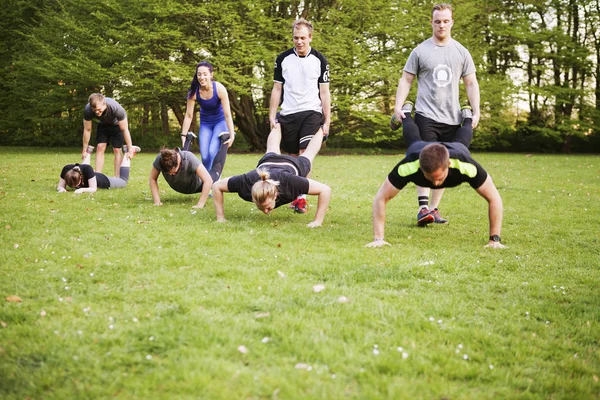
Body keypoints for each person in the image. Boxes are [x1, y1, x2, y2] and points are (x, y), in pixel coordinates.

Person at [391, 3, 480, 226]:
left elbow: (471, 83)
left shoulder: (461, 52)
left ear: (452, 22)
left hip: (452, 117)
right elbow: (406, 79)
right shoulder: (420, 51)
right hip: (425, 114)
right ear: (431, 22)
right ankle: (423, 208)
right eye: (437, 21)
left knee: (445, 163)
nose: (441, 25)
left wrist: (476, 111)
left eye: (445, 21)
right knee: (425, 158)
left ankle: (434, 208)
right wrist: (397, 106)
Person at [366, 108, 506, 249]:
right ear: (421, 168)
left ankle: (468, 117)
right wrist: (378, 239)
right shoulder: (409, 166)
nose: (435, 183)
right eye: (430, 178)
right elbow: (381, 198)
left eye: (439, 178)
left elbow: (494, 198)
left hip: (457, 149)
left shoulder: (465, 166)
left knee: (463, 140)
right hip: (419, 148)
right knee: (412, 139)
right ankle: (406, 113)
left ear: (449, 165)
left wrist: (494, 240)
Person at [268, 18, 331, 213]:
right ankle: (296, 195)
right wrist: (272, 115)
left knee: (305, 155)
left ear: (310, 37)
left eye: (303, 38)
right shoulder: (282, 59)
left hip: (311, 112)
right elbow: (277, 88)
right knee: (292, 157)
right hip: (288, 113)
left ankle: (301, 198)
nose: (299, 42)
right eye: (296, 38)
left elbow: (325, 92)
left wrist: (327, 119)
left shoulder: (320, 60)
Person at [211, 126, 331, 228]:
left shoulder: (290, 183)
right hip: (268, 162)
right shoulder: (246, 182)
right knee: (272, 148)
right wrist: (220, 218)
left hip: (292, 165)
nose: (265, 212)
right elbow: (216, 186)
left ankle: (322, 129)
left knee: (308, 154)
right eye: (261, 207)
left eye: (267, 207)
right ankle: (277, 124)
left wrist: (317, 222)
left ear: (275, 195)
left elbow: (325, 190)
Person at [179, 61, 236, 171]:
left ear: (211, 75)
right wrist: (183, 135)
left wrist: (232, 135)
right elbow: (189, 115)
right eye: (199, 74)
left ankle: (213, 180)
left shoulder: (219, 89)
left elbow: (227, 114)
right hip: (206, 124)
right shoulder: (194, 92)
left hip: (220, 122)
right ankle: (208, 181)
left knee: (212, 151)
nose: (202, 77)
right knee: (205, 156)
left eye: (205, 74)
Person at [149, 134, 229, 208]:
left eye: (173, 172)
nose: (171, 175)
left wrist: (200, 204)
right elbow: (152, 179)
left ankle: (225, 139)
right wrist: (157, 201)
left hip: (197, 185)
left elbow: (208, 181)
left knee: (216, 172)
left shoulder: (189, 158)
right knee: (185, 157)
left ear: (178, 163)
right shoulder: (160, 159)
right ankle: (189, 138)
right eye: (168, 173)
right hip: (181, 184)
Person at [82, 93, 136, 177]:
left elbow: (125, 130)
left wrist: (130, 149)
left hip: (117, 125)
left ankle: (117, 177)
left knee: (117, 149)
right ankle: (98, 176)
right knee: (100, 147)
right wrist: (84, 149)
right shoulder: (88, 110)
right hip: (103, 125)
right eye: (94, 110)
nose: (97, 112)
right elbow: (87, 130)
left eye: (99, 110)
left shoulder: (117, 109)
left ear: (104, 104)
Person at [58, 145, 140, 193]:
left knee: (123, 181)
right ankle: (88, 152)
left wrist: (82, 190)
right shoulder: (66, 169)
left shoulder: (87, 169)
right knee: (86, 168)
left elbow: (93, 188)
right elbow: (60, 186)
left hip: (103, 180)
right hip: (88, 173)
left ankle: (128, 152)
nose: (75, 187)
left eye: (77, 184)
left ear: (80, 178)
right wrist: (62, 189)